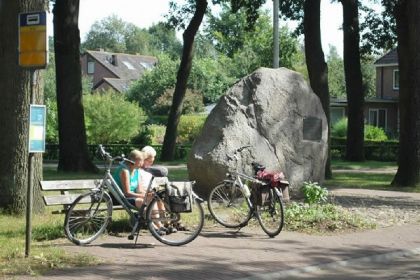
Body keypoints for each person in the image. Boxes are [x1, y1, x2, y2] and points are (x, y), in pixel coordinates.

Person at [112, 149, 167, 235]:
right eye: (141, 161)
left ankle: (159, 225)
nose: (142, 163)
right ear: (134, 161)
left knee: (152, 198)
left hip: (132, 196)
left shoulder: (136, 170)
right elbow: (127, 193)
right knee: (142, 201)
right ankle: (153, 227)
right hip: (121, 197)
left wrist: (148, 194)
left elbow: (140, 189)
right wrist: (144, 196)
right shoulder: (125, 171)